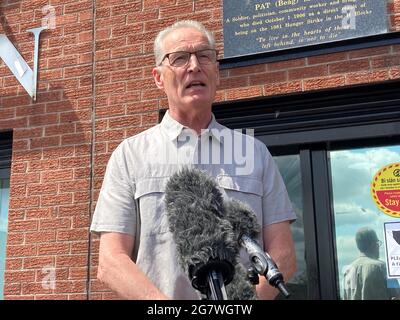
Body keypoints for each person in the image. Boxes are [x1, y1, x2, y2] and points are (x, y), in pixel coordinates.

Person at [90, 20, 297, 300]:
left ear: (217, 71)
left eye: (204, 56)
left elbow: (283, 254)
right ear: (158, 78)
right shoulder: (130, 155)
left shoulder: (254, 153)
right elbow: (111, 261)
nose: (194, 66)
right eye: (179, 58)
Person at [343, 227, 399, 300]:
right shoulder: (383, 268)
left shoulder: (347, 271)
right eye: (378, 243)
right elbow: (397, 295)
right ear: (373, 244)